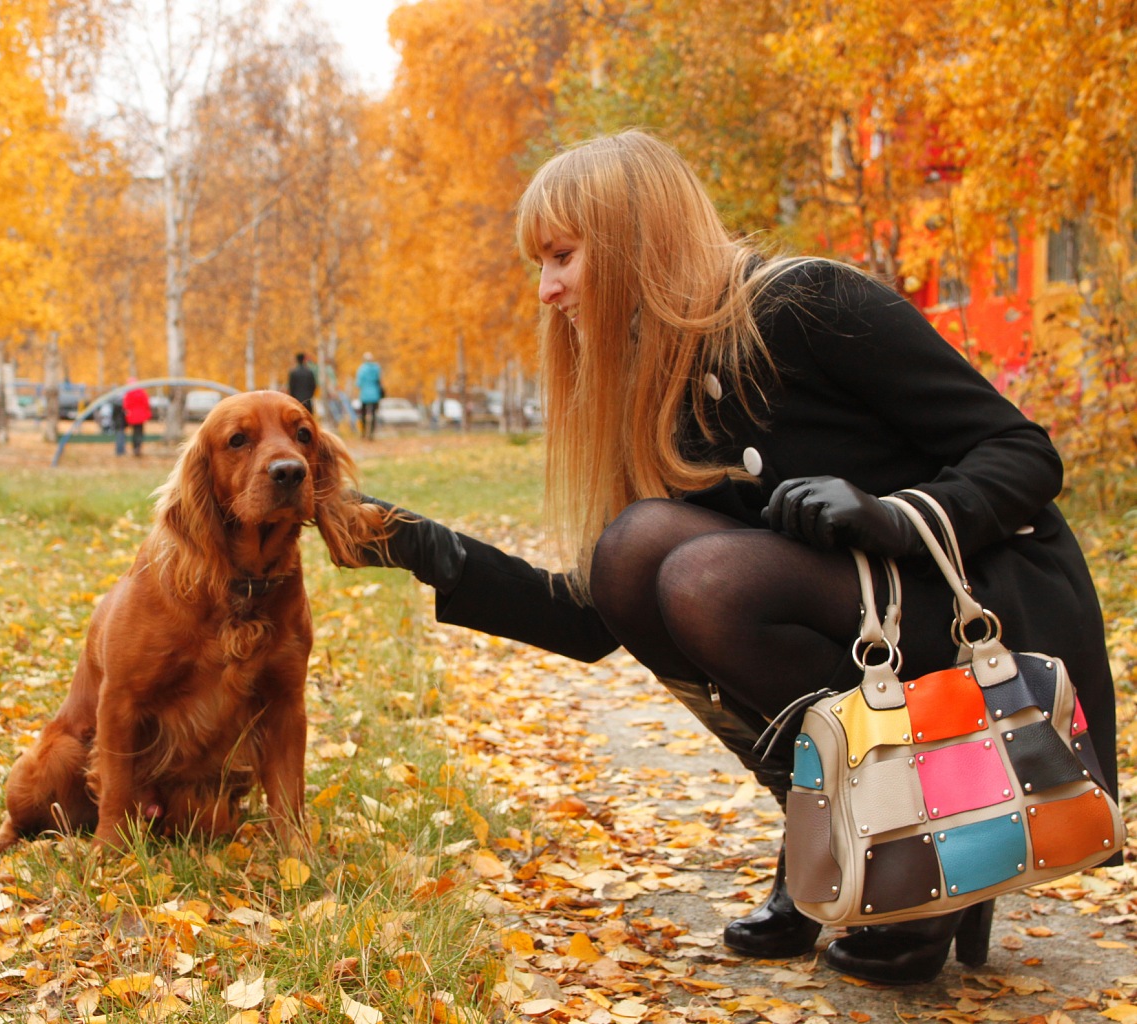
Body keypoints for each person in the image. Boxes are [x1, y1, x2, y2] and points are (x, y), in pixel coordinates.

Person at [338, 131, 1117, 985]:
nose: (545, 288)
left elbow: (1022, 452)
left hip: (981, 604)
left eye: (562, 255)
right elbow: (599, 612)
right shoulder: (664, 377)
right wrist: (410, 542)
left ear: (634, 239)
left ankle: (913, 851)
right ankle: (834, 829)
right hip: (869, 621)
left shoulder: (807, 304)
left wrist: (891, 516)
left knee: (706, 580)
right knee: (634, 551)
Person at [355, 353, 383, 439]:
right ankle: (371, 433)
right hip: (375, 394)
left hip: (364, 395)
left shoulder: (362, 369)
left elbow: (358, 383)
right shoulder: (376, 368)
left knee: (363, 414)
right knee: (373, 414)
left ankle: (363, 432)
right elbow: (379, 380)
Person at [122, 381, 151, 457]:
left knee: (134, 432)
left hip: (133, 416)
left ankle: (135, 447)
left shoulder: (129, 393)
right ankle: (138, 447)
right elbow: (146, 403)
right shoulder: (142, 392)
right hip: (141, 416)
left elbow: (126, 405)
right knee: (140, 432)